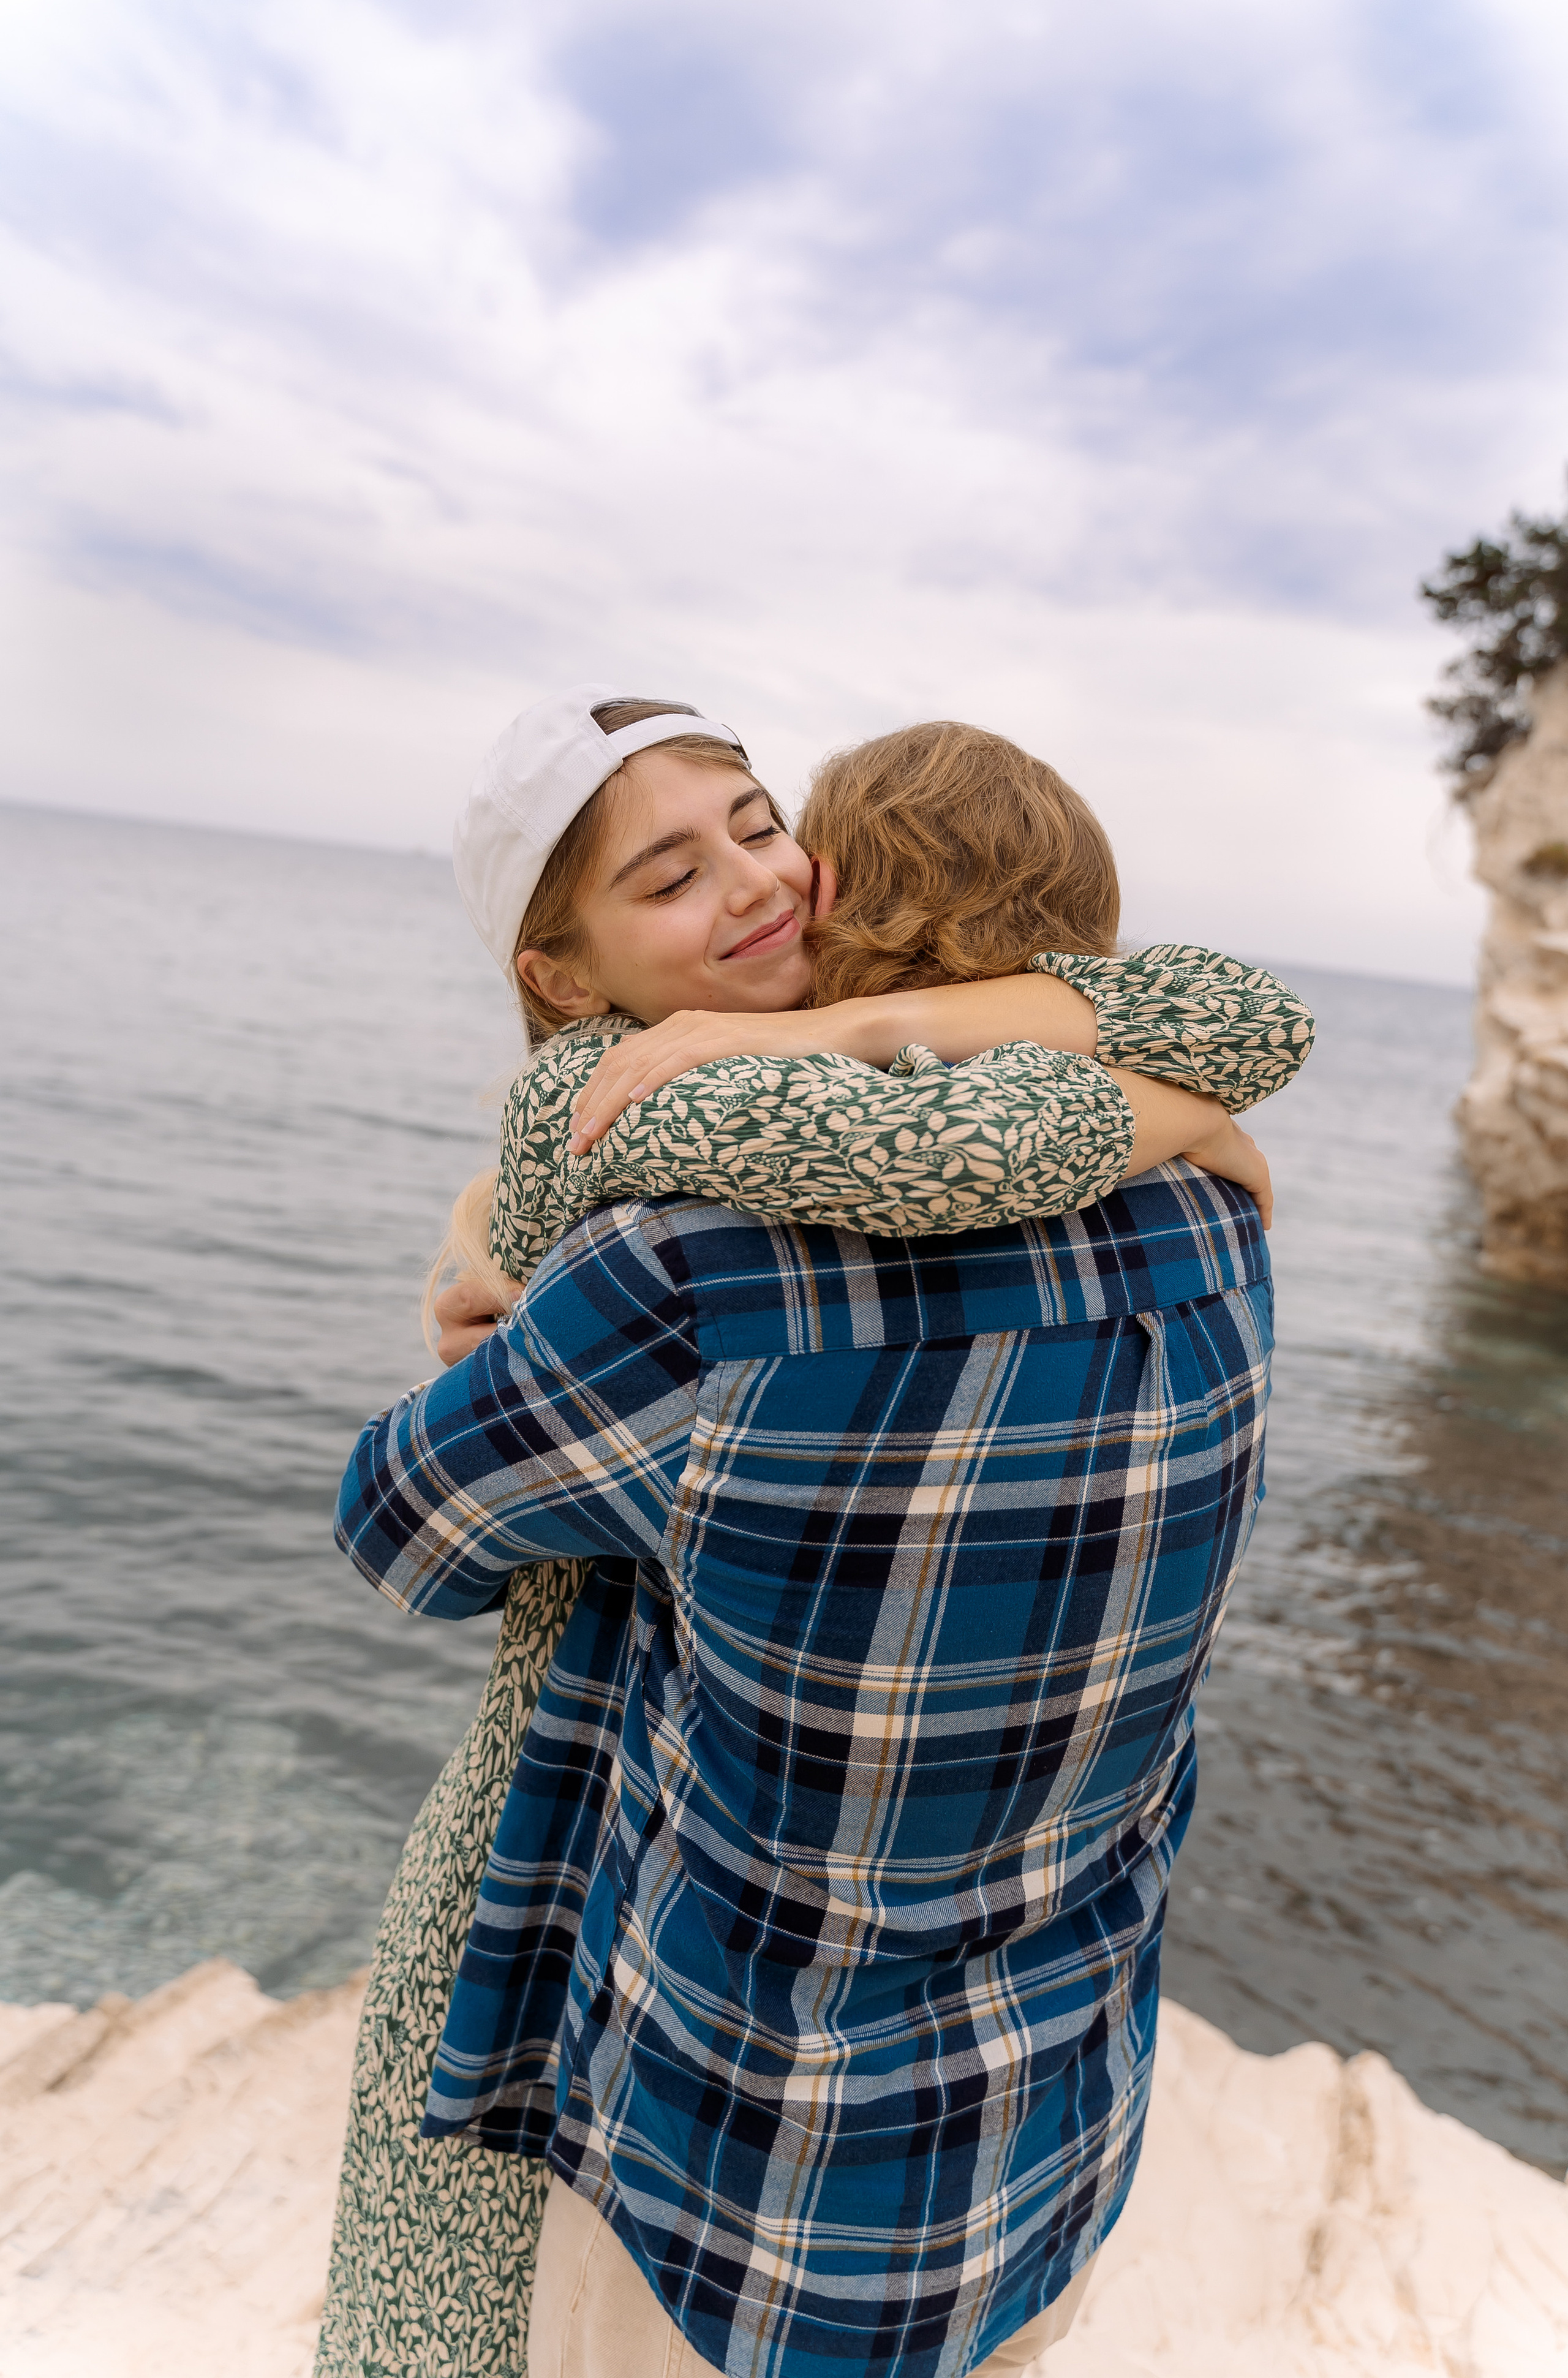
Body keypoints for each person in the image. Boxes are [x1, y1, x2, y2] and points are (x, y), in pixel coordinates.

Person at [316, 687, 1311, 2376]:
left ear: (852, 880)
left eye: (761, 826)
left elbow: (406, 1525)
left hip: (747, 2189)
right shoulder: (1212, 1208)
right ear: (562, 971)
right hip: (1047, 2120)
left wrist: (514, 1287)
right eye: (674, 873)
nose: (761, 885)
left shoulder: (686, 1273)